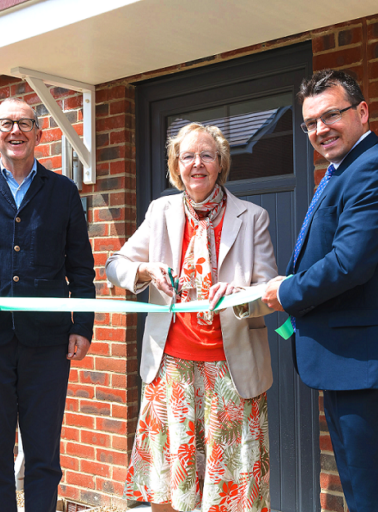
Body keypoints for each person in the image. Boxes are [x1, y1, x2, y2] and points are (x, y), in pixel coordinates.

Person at [262, 69, 378, 512]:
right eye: (310, 124)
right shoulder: (344, 171)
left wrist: (287, 294)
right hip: (350, 367)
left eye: (331, 115)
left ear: (362, 112)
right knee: (364, 497)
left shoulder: (375, 169)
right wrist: (285, 282)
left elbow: (348, 264)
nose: (321, 130)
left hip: (373, 369)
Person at [106, 123, 278, 512]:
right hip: (171, 372)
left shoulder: (253, 217)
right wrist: (145, 271)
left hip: (231, 374)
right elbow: (115, 266)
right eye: (187, 156)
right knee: (167, 481)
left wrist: (241, 294)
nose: (197, 164)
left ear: (220, 163)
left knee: (232, 487)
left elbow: (271, 293)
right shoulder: (160, 211)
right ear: (175, 165)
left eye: (206, 155)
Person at [0, 98, 95, 512]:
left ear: (39, 134)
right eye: (6, 123)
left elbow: (81, 267)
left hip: (48, 343)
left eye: (25, 123)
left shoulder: (62, 191)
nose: (15, 131)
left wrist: (83, 325)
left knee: (44, 456)